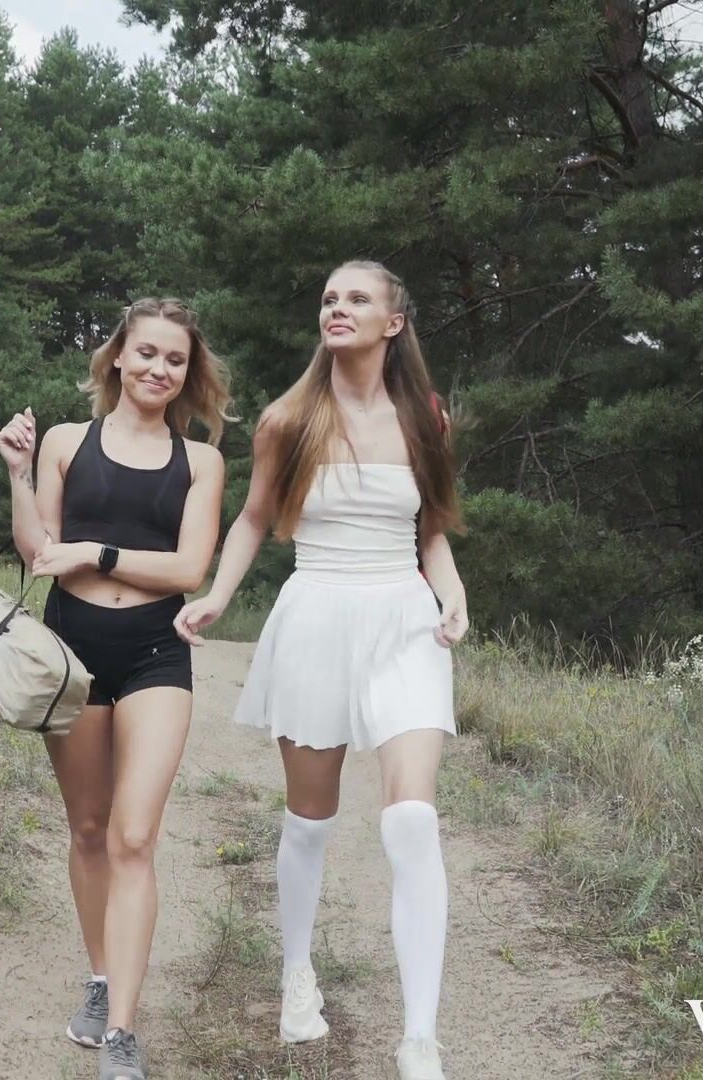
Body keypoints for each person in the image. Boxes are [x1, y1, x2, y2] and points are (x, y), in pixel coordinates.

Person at [173, 261, 468, 1080]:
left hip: (403, 621)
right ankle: (296, 972)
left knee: (412, 820)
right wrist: (215, 597)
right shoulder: (288, 419)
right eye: (331, 298)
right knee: (310, 819)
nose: (338, 308)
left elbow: (432, 531)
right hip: (315, 617)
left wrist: (451, 595)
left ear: (393, 323)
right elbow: (253, 519)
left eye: (358, 299)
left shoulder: (426, 417)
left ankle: (420, 1036)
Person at [0, 298, 233, 1080]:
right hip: (72, 650)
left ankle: (123, 1032)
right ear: (119, 357)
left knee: (134, 836)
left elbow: (188, 568)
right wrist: (18, 474)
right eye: (148, 353)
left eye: (175, 360)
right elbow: (38, 551)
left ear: (189, 374)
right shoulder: (68, 441)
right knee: (90, 828)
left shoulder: (200, 463)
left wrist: (95, 552)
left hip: (157, 652)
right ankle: (100, 980)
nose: (160, 369)